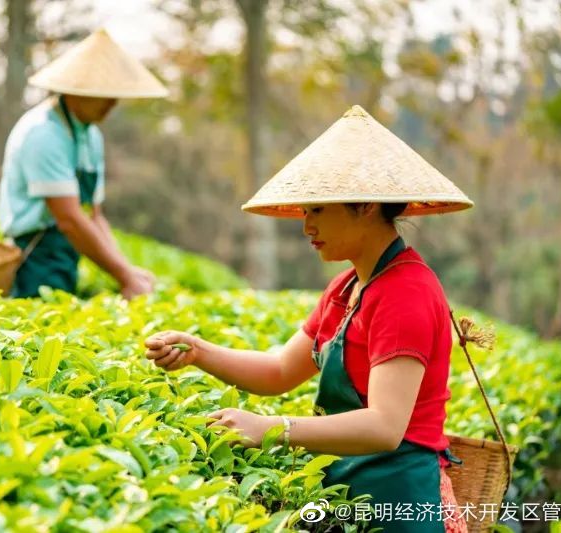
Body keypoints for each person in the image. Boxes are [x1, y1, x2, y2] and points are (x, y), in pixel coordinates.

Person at [144, 105, 474, 532]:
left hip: (398, 502)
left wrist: (272, 428)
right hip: (351, 494)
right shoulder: (346, 287)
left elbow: (385, 426)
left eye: (317, 210)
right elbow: (280, 370)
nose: (306, 227)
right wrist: (198, 351)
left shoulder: (405, 292)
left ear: (366, 205)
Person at [0, 29, 168, 299]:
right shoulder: (44, 134)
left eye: (115, 95)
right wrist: (123, 276)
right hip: (34, 256)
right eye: (103, 94)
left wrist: (128, 271)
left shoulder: (90, 135)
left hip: (67, 251)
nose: (112, 103)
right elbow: (69, 219)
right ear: (75, 91)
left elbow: (94, 216)